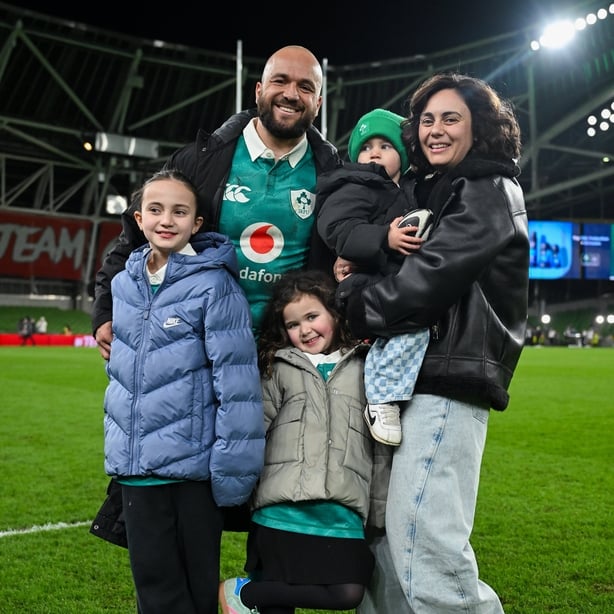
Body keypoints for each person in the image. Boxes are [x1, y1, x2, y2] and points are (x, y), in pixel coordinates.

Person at [339, 73, 529, 612]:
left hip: (446, 383)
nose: (435, 130)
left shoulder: (488, 188)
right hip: (407, 379)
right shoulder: (430, 189)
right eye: (426, 120)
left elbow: (428, 281)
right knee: (384, 548)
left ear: (481, 129)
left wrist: (353, 303)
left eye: (451, 119)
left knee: (426, 549)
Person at [92, 44, 341, 356]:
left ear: (317, 103)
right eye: (280, 81)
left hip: (287, 353)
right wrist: (105, 309)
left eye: (305, 87)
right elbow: (134, 235)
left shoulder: (333, 176)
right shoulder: (198, 160)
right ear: (259, 90)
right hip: (200, 346)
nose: (291, 94)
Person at [102, 169, 265, 614]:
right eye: (155, 209)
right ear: (138, 218)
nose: (166, 220)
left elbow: (237, 385)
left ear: (197, 224)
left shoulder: (214, 284)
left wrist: (232, 471)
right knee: (154, 594)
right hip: (137, 471)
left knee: (194, 596)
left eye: (180, 211)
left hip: (193, 474)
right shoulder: (123, 284)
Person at [219, 269, 377, 614]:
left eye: (312, 316)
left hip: (341, 508)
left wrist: (377, 511)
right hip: (280, 509)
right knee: (278, 605)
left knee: (348, 593)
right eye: (293, 324)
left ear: (334, 313)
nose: (304, 330)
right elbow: (252, 430)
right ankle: (254, 597)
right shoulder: (277, 366)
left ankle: (247, 596)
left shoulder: (366, 365)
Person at [316, 108, 430, 446]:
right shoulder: (355, 184)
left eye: (386, 145)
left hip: (388, 280)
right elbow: (337, 229)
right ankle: (381, 399)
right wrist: (384, 238)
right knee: (412, 327)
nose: (374, 152)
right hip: (361, 286)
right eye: (366, 147)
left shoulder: (413, 189)